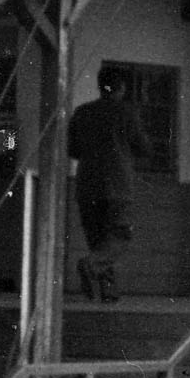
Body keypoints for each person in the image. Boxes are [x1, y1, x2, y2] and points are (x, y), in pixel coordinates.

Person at [69, 69, 151, 302]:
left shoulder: (82, 112)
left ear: (99, 86)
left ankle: (108, 291)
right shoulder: (128, 113)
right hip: (118, 185)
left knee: (98, 240)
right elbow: (144, 148)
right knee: (119, 235)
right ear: (121, 88)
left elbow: (72, 150)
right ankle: (92, 267)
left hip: (87, 185)